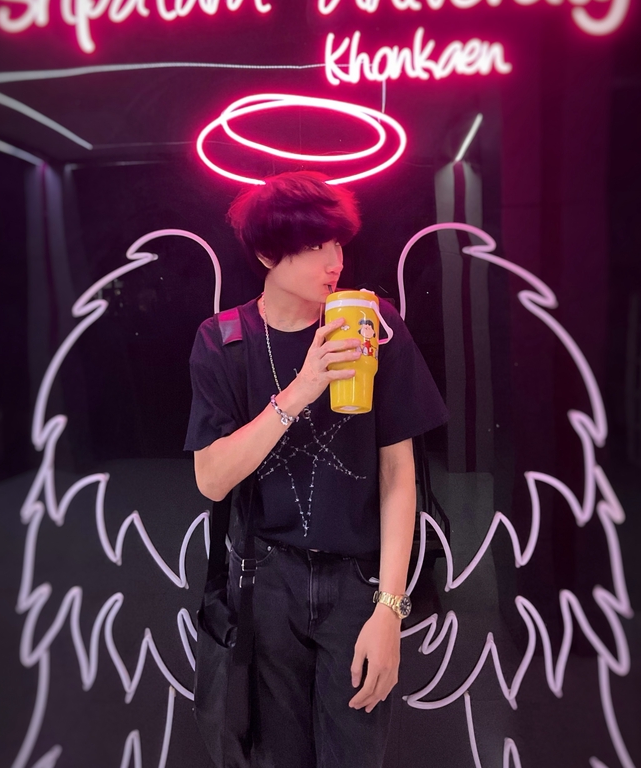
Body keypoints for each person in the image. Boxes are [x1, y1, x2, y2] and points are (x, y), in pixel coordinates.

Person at [185, 172, 448, 768]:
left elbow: (398, 474)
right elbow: (211, 479)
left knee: (355, 752)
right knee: (272, 755)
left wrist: (390, 608)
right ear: (265, 255)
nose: (335, 261)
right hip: (264, 580)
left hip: (358, 579)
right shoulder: (223, 340)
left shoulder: (372, 323)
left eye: (338, 243)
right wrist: (303, 388)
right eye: (314, 246)